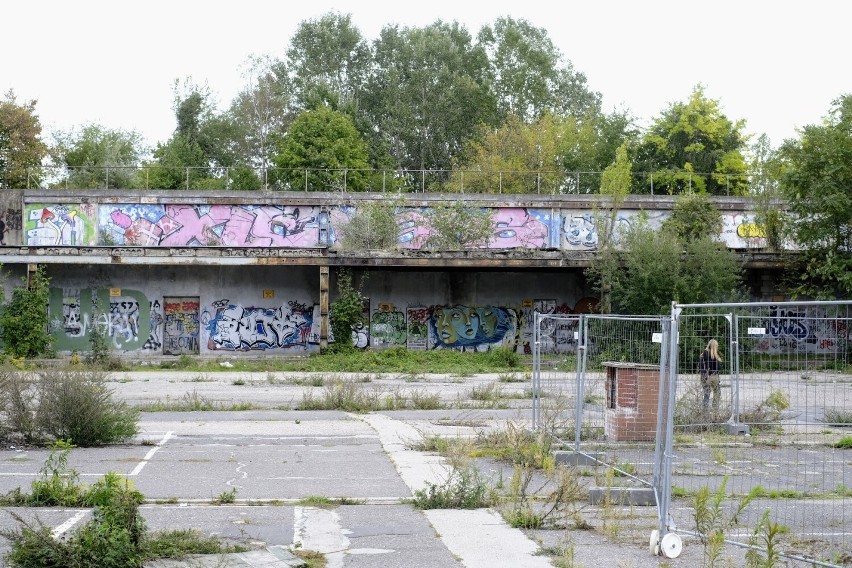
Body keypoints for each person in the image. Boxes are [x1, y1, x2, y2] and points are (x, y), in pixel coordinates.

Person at [699, 339, 722, 410]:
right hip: (713, 377)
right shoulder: (715, 356)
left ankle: (705, 412)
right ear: (715, 346)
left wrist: (704, 374)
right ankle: (715, 409)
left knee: (706, 394)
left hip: (704, 377)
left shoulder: (702, 355)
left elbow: (700, 367)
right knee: (717, 392)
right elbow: (718, 368)